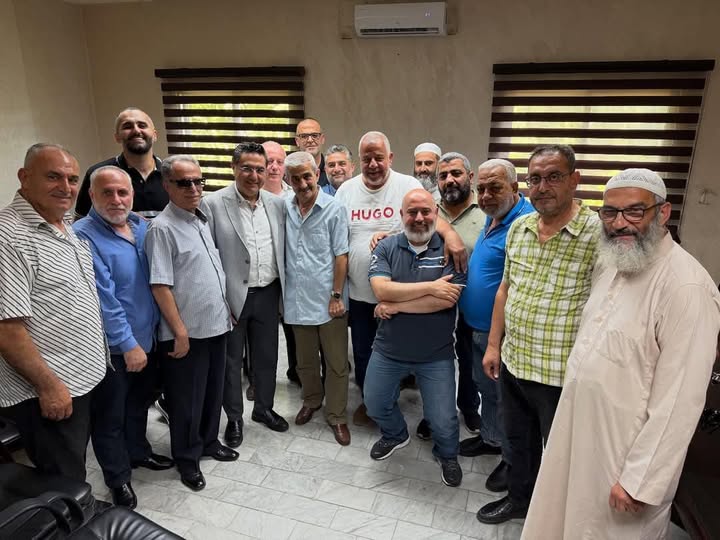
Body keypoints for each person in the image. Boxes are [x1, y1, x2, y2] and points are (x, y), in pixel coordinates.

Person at [521, 169, 720, 539]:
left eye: (634, 211)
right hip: (577, 434)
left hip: (624, 457)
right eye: (610, 212)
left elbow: (681, 400)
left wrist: (641, 481)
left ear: (663, 213)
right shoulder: (613, 264)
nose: (619, 223)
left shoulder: (687, 287)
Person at [477, 145, 599, 524]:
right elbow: (505, 289)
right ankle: (520, 501)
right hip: (515, 361)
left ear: (574, 180)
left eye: (553, 177)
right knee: (518, 442)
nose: (542, 187)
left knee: (562, 455)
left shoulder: (597, 233)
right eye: (535, 179)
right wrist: (494, 345)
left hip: (561, 373)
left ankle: (556, 519)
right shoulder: (521, 227)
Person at [0, 143, 107, 482]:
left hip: (81, 377)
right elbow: (7, 330)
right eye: (53, 177)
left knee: (74, 466)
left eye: (72, 179)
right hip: (49, 387)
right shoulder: (8, 236)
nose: (66, 187)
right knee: (63, 481)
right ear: (24, 177)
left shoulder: (64, 223)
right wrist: (49, 387)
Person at [73, 166, 173, 509]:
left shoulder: (139, 226)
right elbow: (105, 300)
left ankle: (139, 452)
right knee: (110, 417)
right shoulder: (83, 236)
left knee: (139, 404)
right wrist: (128, 344)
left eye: (123, 192)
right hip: (116, 347)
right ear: (92, 196)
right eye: (107, 192)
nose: (116, 199)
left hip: (149, 339)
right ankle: (118, 479)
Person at [145, 155, 238, 492]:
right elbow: (160, 285)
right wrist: (179, 332)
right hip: (186, 334)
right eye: (185, 182)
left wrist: (226, 309)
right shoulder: (162, 228)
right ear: (167, 185)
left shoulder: (199, 219)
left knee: (213, 392)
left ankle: (209, 442)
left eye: (199, 181)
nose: (194, 188)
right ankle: (187, 458)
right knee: (186, 401)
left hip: (216, 325)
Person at [365, 189, 465, 487]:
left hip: (436, 354)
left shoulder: (451, 250)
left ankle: (447, 454)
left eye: (425, 211)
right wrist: (431, 287)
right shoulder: (386, 246)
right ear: (401, 215)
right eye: (412, 212)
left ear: (436, 213)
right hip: (389, 348)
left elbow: (446, 300)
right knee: (374, 403)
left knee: (443, 421)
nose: (419, 218)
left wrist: (396, 305)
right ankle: (395, 434)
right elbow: (381, 289)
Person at [457, 158, 534, 494]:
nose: (486, 195)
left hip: (500, 333)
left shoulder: (526, 223)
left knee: (508, 401)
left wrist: (495, 338)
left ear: (515, 188)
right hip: (475, 327)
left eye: (495, 188)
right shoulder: (493, 216)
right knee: (485, 389)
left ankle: (510, 458)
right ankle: (490, 438)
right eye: (482, 189)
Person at [204, 142, 288, 446]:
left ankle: (263, 409)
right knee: (231, 362)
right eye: (247, 168)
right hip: (232, 296)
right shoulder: (213, 204)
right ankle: (235, 418)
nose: (254, 175)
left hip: (268, 292)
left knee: (267, 357)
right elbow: (209, 256)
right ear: (234, 168)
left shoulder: (277, 204)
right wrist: (220, 298)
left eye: (260, 169)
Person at [283, 151, 351, 445]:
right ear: (288, 180)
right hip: (297, 300)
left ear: (317, 174)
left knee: (336, 363)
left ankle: (336, 415)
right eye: (295, 178)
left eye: (307, 176)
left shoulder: (334, 208)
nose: (302, 184)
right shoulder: (285, 207)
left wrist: (336, 295)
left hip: (329, 301)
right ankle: (311, 400)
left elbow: (341, 255)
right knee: (305, 361)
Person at [416, 152, 483, 440]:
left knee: (469, 359)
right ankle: (432, 413)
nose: (449, 180)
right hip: (433, 302)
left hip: (472, 303)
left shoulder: (486, 211)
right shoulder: (428, 210)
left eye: (456, 173)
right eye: (443, 176)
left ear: (470, 177)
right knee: (435, 362)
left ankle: (469, 407)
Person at [75, 107, 168, 219]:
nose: (136, 131)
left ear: (155, 135)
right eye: (127, 126)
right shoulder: (97, 174)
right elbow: (80, 221)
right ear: (117, 137)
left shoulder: (172, 174)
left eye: (142, 125)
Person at [261, 140, 298, 386]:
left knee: (293, 328)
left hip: (290, 275)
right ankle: (258, 380)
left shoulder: (294, 196)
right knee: (261, 334)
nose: (274, 167)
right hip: (262, 277)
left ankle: (296, 370)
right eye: (269, 161)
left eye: (279, 162)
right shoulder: (250, 195)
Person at [295, 118, 329, 187]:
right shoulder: (290, 171)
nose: (310, 140)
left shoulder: (332, 170)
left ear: (322, 139)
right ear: (297, 141)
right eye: (304, 136)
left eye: (314, 135)